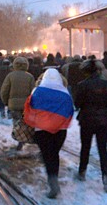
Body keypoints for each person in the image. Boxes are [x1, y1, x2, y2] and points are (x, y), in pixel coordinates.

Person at [24, 68, 74, 198]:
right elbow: (70, 110)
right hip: (60, 131)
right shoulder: (65, 93)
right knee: (55, 155)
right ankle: (54, 178)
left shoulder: (37, 91)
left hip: (42, 130)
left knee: (47, 156)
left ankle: (52, 181)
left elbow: (31, 106)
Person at [74, 59, 107, 193]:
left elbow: (77, 103)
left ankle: (82, 172)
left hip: (86, 119)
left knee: (85, 147)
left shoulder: (81, 85)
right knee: (103, 149)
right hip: (103, 120)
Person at [0, 57, 35, 151]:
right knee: (26, 123)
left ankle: (19, 140)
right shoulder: (30, 76)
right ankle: (24, 140)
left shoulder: (10, 76)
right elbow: (33, 92)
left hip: (14, 105)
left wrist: (6, 101)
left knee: (16, 122)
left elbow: (4, 91)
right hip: (26, 105)